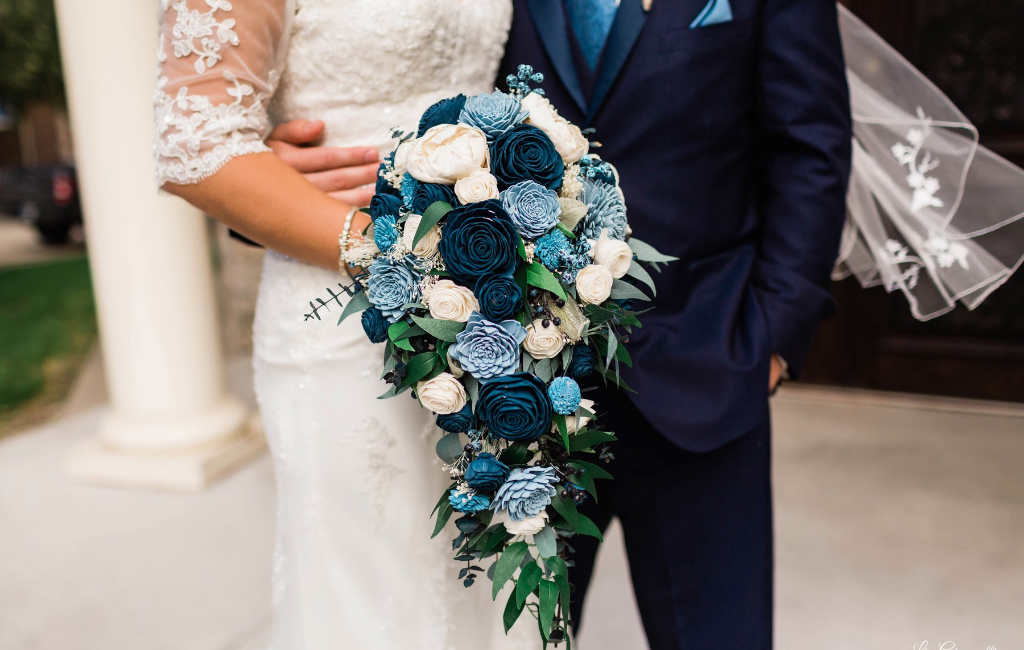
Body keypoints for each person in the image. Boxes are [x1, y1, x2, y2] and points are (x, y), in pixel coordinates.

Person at [273, 0, 850, 648]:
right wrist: (268, 193)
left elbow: (810, 148)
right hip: (513, 384)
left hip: (708, 359)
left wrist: (776, 334)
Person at [152, 1, 537, 648]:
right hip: (342, 317)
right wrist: (406, 260)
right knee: (376, 591)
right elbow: (196, 145)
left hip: (489, 307)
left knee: (488, 568)